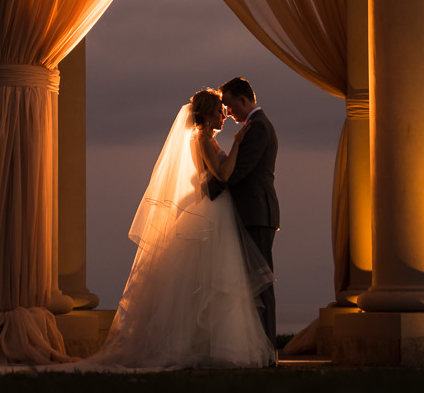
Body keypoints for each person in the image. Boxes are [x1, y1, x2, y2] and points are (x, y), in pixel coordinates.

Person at [72, 86, 275, 369]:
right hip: (213, 214)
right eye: (220, 111)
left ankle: (212, 345)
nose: (225, 116)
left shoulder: (206, 139)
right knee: (216, 282)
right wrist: (239, 144)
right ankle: (210, 347)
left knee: (215, 283)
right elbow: (224, 174)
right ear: (206, 115)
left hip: (216, 210)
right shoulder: (203, 140)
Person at [205, 76, 279, 341]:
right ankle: (259, 344)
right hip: (252, 211)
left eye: (229, 105)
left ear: (243, 99)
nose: (227, 111)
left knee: (261, 282)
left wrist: (208, 192)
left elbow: (239, 172)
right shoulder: (253, 126)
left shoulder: (257, 128)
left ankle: (268, 348)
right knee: (253, 281)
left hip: (256, 212)